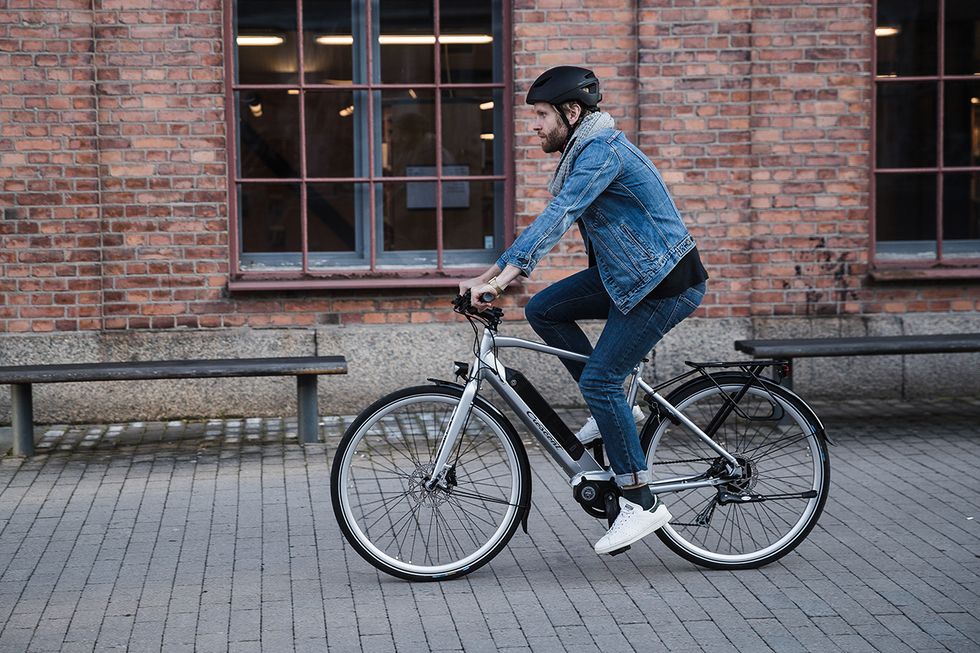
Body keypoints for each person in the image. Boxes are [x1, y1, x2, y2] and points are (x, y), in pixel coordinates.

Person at [459, 66, 708, 555]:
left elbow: (560, 215)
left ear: (572, 113)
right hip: (628, 275)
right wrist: (492, 276)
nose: (534, 125)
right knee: (547, 309)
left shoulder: (601, 153)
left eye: (541, 115)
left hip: (663, 282)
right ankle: (618, 410)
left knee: (599, 379)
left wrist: (501, 279)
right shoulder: (585, 149)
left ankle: (640, 501)